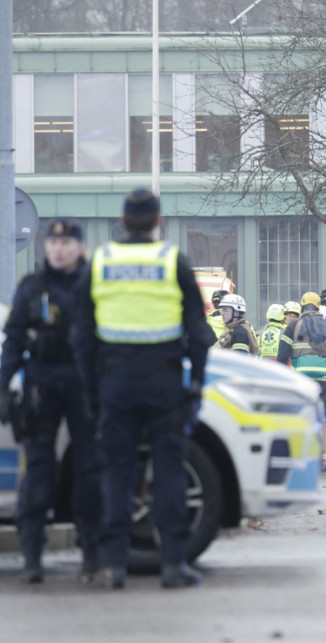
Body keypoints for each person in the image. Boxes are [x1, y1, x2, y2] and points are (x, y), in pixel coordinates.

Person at [72, 188, 215, 589]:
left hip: (114, 381)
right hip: (163, 381)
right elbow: (199, 332)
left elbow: (82, 335)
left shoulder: (101, 261)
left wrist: (91, 388)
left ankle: (114, 565)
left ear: (121, 222)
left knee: (117, 470)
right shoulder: (173, 262)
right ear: (158, 222)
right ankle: (172, 564)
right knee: (169, 468)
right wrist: (196, 383)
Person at [0, 220, 101, 585]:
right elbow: (12, 341)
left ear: (79, 247)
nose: (59, 248)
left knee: (89, 472)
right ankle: (32, 558)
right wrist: (1, 386)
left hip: (83, 386)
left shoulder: (95, 286)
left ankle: (91, 556)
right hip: (41, 385)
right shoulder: (32, 288)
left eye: (66, 242)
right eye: (53, 242)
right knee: (39, 472)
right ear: (46, 248)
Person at [277, 292, 326, 454]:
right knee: (321, 417)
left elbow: (282, 356)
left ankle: (302, 454)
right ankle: (325, 457)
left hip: (299, 380)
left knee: (300, 415)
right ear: (318, 306)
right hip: (321, 379)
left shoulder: (292, 327)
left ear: (302, 306)